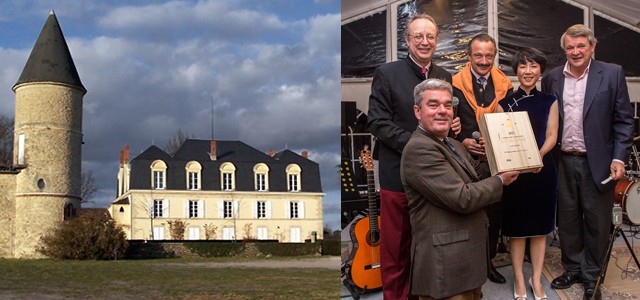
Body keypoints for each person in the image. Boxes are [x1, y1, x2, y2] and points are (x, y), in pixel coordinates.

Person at [367, 14, 459, 300]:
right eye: (418, 36)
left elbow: (447, 119)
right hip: (398, 173)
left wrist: (454, 125)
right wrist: (419, 145)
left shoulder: (445, 76)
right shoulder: (387, 73)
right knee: (396, 245)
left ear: (436, 41)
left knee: (431, 242)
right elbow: (377, 122)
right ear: (407, 41)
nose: (424, 41)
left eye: (430, 36)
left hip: (436, 175)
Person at [401, 78, 519, 300]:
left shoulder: (453, 144)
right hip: (446, 264)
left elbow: (480, 176)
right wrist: (501, 180)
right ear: (417, 111)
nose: (442, 111)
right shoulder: (419, 149)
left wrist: (504, 153)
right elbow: (463, 197)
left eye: (447, 105)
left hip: (466, 257)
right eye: (433, 105)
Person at [541, 24, 634, 300]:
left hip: (600, 164)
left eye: (581, 46)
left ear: (592, 47)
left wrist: (619, 157)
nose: (575, 51)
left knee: (597, 222)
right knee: (567, 220)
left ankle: (592, 276)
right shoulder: (552, 78)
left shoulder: (612, 73)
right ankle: (572, 268)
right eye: (570, 47)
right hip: (563, 161)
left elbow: (624, 121)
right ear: (564, 49)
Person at [497, 48, 559, 300]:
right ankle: (520, 280)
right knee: (517, 228)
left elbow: (553, 135)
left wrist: (539, 156)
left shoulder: (550, 100)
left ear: (540, 70)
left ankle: (536, 278)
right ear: (516, 71)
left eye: (533, 66)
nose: (528, 71)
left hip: (543, 170)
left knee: (540, 228)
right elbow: (502, 141)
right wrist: (519, 164)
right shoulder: (503, 104)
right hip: (515, 174)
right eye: (523, 67)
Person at [452, 33, 513, 284]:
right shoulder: (453, 83)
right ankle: (466, 265)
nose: (484, 60)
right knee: (467, 214)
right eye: (478, 55)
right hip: (463, 160)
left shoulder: (505, 85)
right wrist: (465, 139)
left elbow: (509, 122)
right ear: (468, 56)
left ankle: (488, 263)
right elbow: (446, 122)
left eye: (489, 55)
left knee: (494, 215)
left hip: (495, 160)